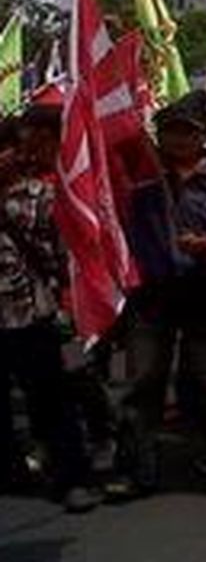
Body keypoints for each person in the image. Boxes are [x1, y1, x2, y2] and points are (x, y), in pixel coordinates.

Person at [108, 98, 206, 502]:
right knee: (142, 384)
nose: (179, 139)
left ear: (204, 134)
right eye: (171, 130)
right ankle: (134, 471)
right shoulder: (139, 176)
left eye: (187, 131)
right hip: (150, 293)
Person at [0, 111, 97, 513]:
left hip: (30, 313)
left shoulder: (40, 197)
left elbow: (64, 255)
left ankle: (71, 477)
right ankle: (12, 472)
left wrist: (70, 305)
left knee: (49, 398)